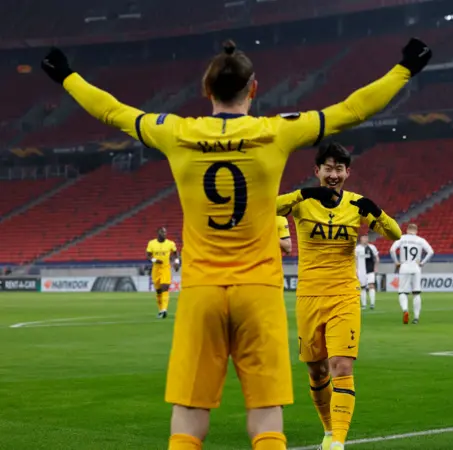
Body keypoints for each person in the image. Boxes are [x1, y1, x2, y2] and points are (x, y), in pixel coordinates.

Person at [42, 37, 432, 450]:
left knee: (188, 422)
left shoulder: (176, 131)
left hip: (201, 291)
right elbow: (354, 109)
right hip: (258, 292)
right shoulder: (275, 131)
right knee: (266, 420)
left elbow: (113, 111)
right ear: (254, 89)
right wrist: (404, 68)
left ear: (206, 91)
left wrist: (66, 75)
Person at [276, 142, 402, 450]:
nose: (334, 175)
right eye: (328, 168)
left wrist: (377, 212)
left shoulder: (356, 205)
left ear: (348, 172)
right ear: (317, 171)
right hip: (308, 296)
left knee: (342, 366)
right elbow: (261, 208)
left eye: (339, 169)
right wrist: (303, 194)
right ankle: (329, 431)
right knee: (316, 370)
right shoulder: (301, 202)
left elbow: (396, 234)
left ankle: (338, 443)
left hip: (344, 294)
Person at [389, 223, 434, 324]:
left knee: (402, 292)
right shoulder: (420, 240)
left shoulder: (401, 238)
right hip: (416, 267)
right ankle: (416, 318)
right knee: (416, 293)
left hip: (404, 266)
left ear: (407, 230)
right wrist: (422, 263)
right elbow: (431, 252)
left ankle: (405, 310)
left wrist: (396, 262)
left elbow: (392, 250)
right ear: (416, 231)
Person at [146, 226, 180, 318]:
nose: (164, 234)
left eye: (165, 232)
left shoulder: (170, 243)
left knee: (165, 287)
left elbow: (176, 253)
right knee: (158, 291)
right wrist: (154, 260)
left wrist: (176, 262)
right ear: (158, 233)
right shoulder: (151, 243)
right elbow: (148, 255)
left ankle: (164, 310)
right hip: (156, 269)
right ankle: (161, 310)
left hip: (165, 268)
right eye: (162, 232)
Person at [355, 234, 379, 310]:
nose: (365, 239)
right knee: (362, 287)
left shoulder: (372, 247)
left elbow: (377, 258)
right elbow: (355, 260)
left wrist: (376, 267)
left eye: (366, 237)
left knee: (371, 285)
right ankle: (364, 305)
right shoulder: (357, 248)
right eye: (364, 237)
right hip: (361, 271)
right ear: (361, 239)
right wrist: (356, 269)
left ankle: (372, 304)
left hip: (370, 270)